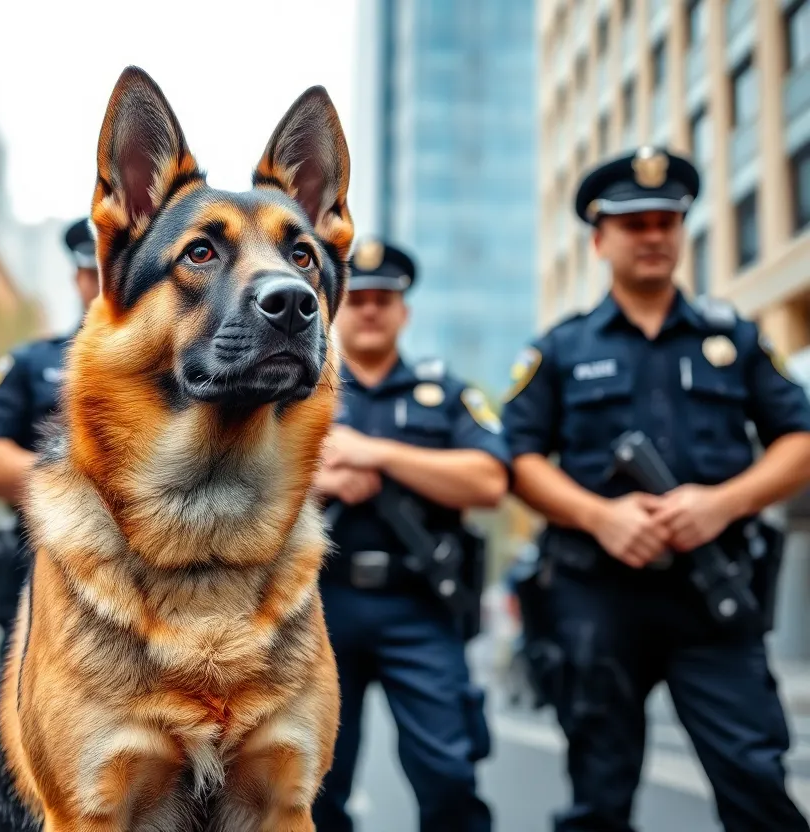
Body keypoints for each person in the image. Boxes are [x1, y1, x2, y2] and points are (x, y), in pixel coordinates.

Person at [501, 145, 810, 832]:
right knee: (599, 799)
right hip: (596, 599)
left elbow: (800, 440)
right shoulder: (561, 349)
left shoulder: (735, 340)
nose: (653, 236)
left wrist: (723, 502)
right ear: (600, 239)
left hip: (714, 597)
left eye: (666, 221)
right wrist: (598, 516)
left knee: (757, 782)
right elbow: (517, 457)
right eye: (634, 223)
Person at [310, 239, 509, 832]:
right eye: (359, 298)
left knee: (449, 776)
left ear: (404, 312)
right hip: (318, 606)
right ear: (335, 308)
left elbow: (490, 480)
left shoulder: (445, 394)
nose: (370, 309)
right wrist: (324, 478)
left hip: (420, 606)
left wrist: (378, 454)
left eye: (384, 299)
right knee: (311, 784)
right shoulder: (296, 391)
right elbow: (250, 486)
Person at [0, 216, 98, 829]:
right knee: (15, 788)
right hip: (48, 593)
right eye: (97, 270)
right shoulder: (37, 362)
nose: (110, 281)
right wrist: (88, 487)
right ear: (78, 276)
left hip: (172, 601)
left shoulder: (185, 365)